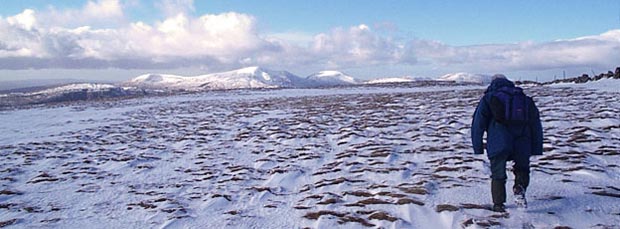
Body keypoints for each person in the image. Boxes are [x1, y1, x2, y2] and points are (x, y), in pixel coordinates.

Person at [471, 74, 543, 212]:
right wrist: (536, 147)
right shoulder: (524, 99)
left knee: (498, 172)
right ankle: (519, 188)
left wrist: (477, 147)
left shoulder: (489, 98)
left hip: (499, 141)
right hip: (523, 140)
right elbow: (536, 124)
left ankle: (499, 205)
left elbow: (478, 124)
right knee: (522, 168)